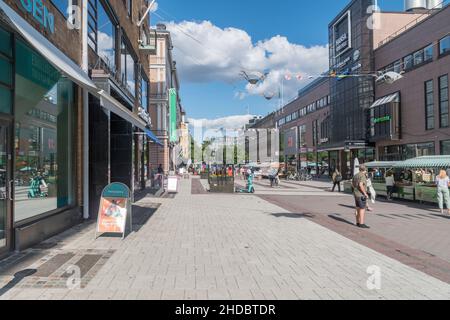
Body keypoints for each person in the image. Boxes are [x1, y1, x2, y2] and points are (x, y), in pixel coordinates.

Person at [352, 164, 370, 229]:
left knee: (357, 208)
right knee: (362, 209)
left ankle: (357, 222)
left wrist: (355, 191)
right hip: (361, 195)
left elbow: (353, 185)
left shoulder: (355, 175)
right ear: (365, 169)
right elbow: (360, 185)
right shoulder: (362, 175)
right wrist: (365, 193)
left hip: (356, 194)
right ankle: (361, 223)